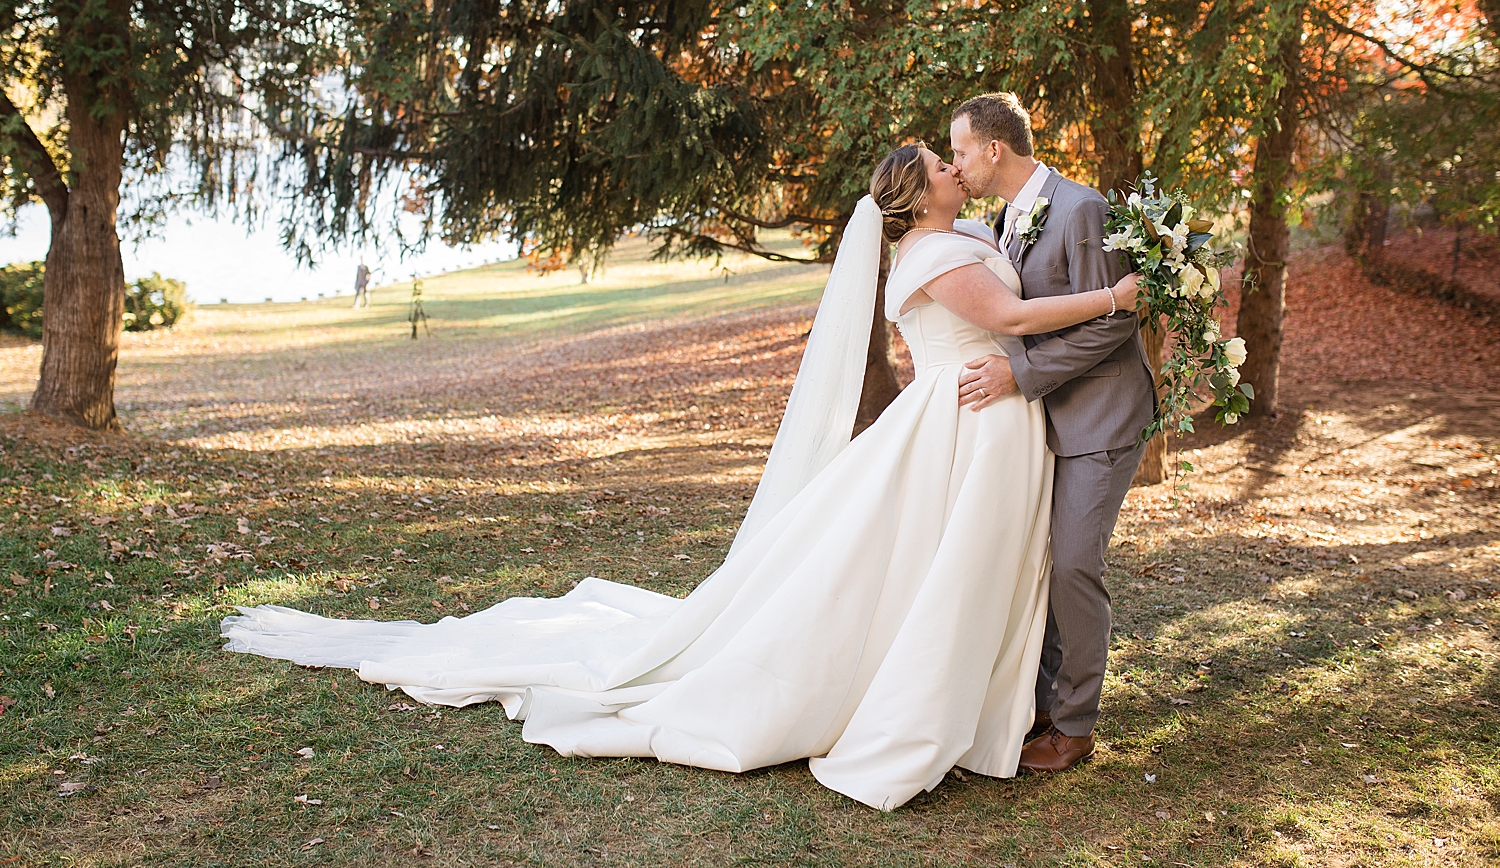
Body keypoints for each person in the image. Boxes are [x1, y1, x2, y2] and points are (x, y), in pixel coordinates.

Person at [221, 144, 1140, 810]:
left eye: (956, 158)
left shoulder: (967, 229)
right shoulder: (934, 255)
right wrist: (1114, 297)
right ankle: (931, 703)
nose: (955, 166)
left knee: (967, 564)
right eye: (942, 165)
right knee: (945, 565)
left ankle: (1008, 700)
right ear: (919, 195)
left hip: (988, 418)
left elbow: (1021, 273)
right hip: (963, 420)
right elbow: (1014, 321)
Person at [947, 92, 1156, 773]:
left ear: (994, 150)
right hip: (1046, 420)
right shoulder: (1002, 217)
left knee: (1073, 563)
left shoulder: (1082, 207)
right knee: (1040, 564)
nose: (956, 165)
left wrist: (1019, 374)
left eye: (960, 152)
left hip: (1100, 414)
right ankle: (1035, 705)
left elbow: (1116, 322)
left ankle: (1075, 724)